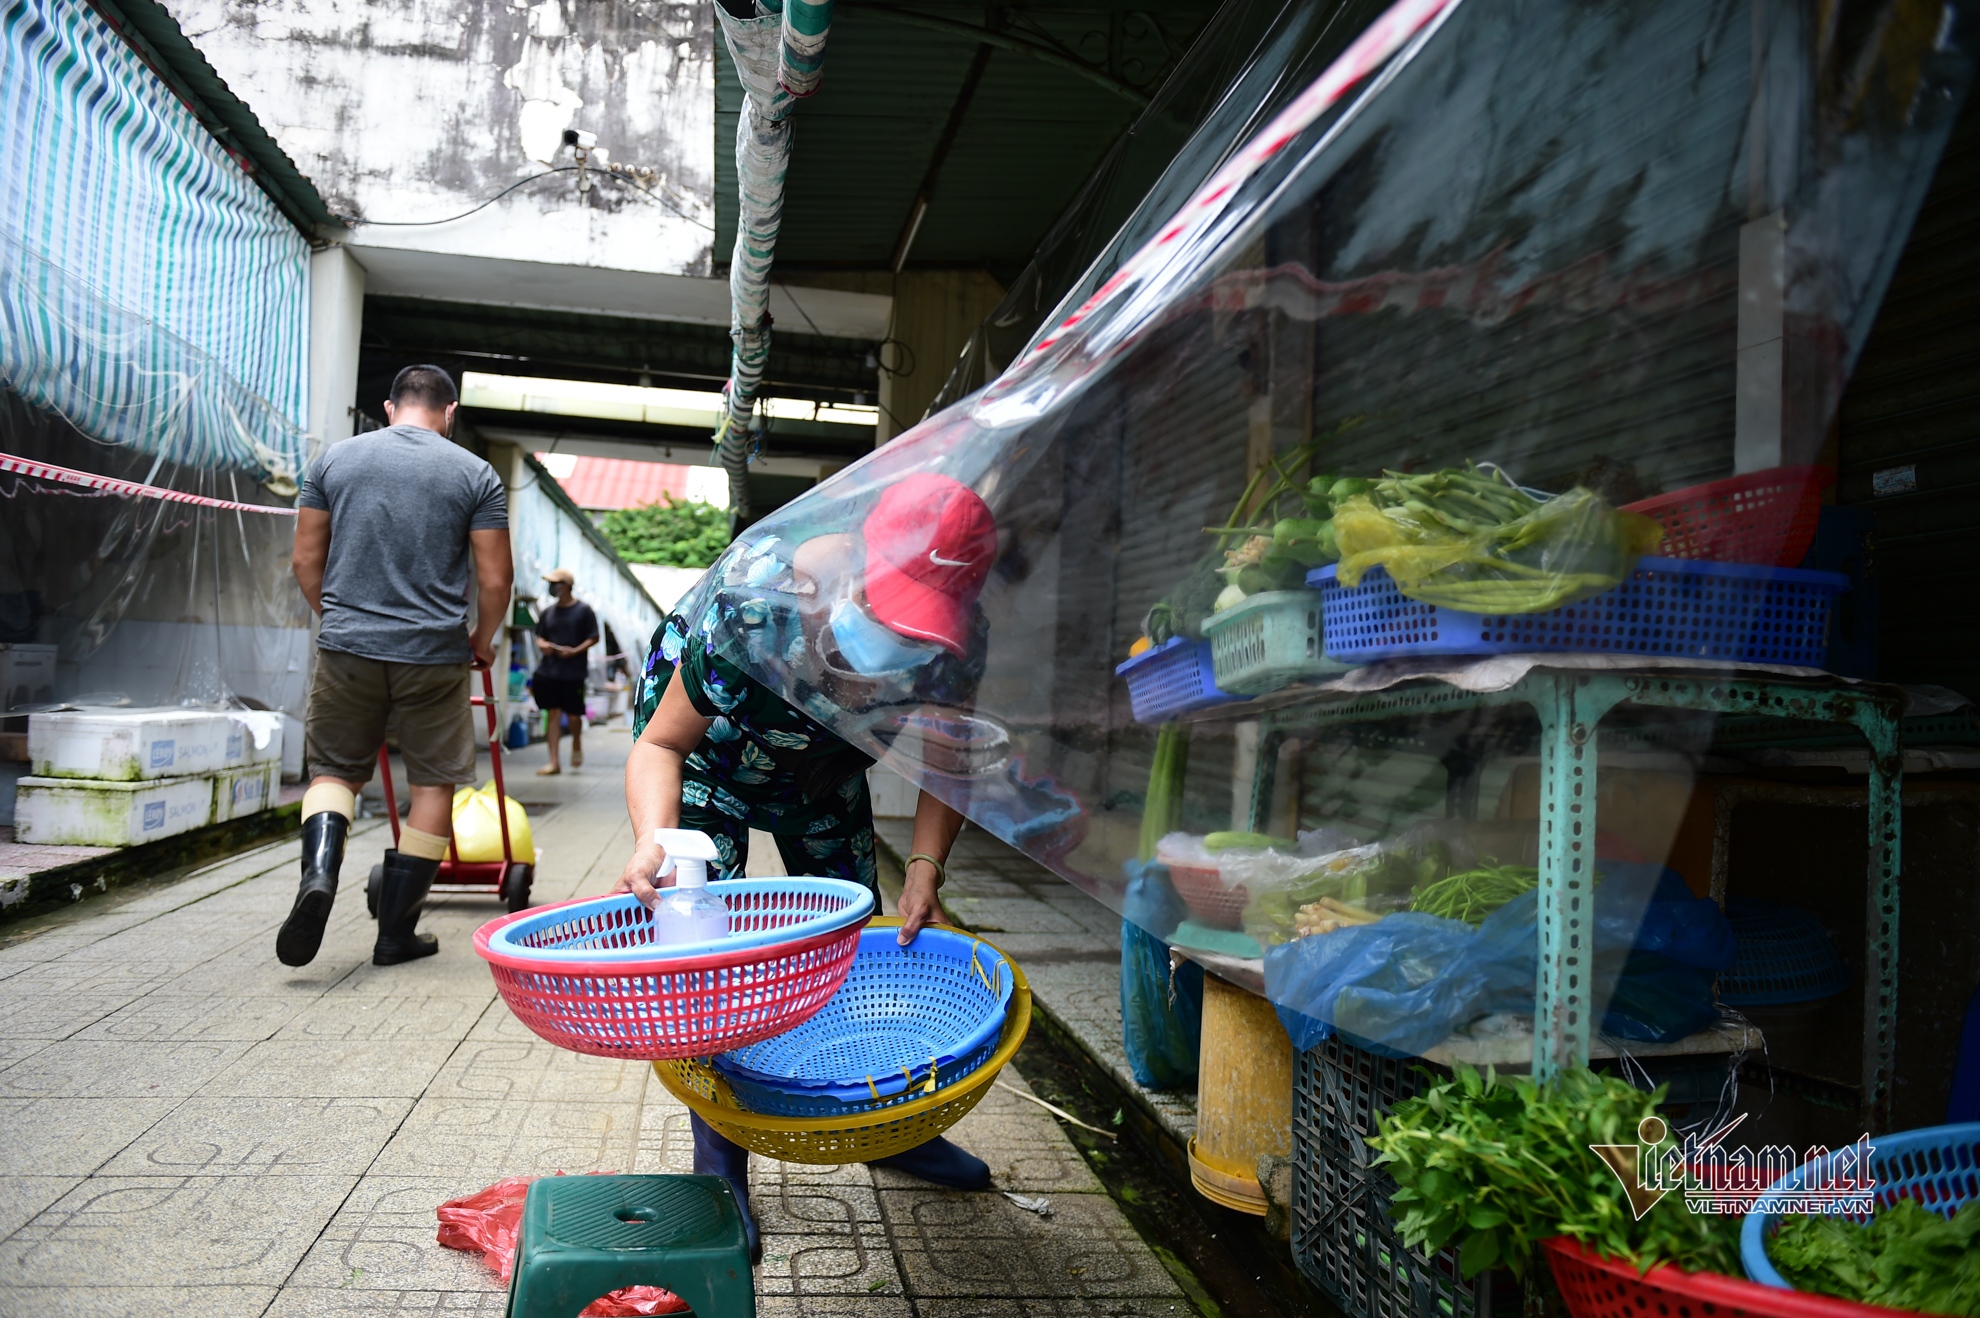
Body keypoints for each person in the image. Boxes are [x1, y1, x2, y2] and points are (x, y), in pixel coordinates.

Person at [614, 471, 997, 1262]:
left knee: (855, 936)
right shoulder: (757, 604)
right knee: (706, 956)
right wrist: (655, 837)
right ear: (855, 564)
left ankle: (880, 1128)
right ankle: (720, 1157)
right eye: (893, 618)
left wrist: (925, 865)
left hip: (822, 775)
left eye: (924, 631)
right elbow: (661, 743)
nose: (904, 649)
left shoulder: (959, 642)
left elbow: (950, 762)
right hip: (709, 766)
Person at [278, 365, 514, 968]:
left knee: (333, 771)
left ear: (389, 407)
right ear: (450, 411)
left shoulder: (335, 460)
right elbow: (495, 579)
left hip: (347, 646)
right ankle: (395, 935)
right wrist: (481, 640)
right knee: (432, 783)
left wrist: (339, 619)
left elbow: (306, 559)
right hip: (434, 654)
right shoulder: (475, 473)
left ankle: (319, 878)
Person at [531, 567, 599, 775]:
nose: (552, 587)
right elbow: (539, 636)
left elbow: (593, 637)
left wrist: (574, 651)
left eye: (556, 583)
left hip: (574, 672)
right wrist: (543, 645)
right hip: (549, 671)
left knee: (573, 716)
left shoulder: (584, 610)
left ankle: (576, 740)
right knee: (552, 713)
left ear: (567, 586)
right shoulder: (548, 612)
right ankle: (554, 761)